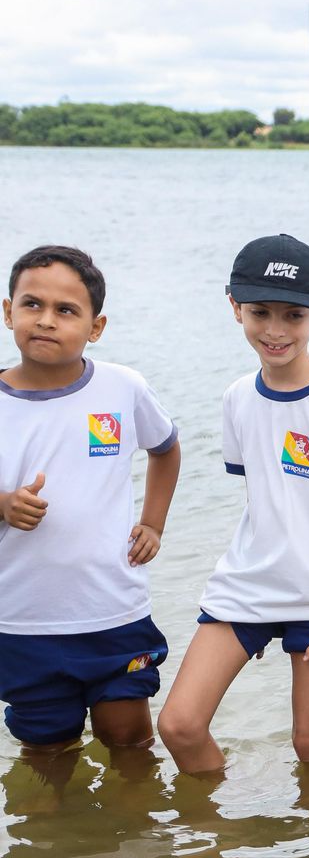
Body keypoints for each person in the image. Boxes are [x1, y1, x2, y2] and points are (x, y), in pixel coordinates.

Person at [158, 235, 309, 775]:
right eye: (259, 312)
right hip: (248, 583)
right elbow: (266, 497)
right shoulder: (238, 397)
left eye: (293, 315)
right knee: (179, 725)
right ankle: (213, 843)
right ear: (234, 306)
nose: (275, 330)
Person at [0, 245, 181, 765]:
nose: (46, 320)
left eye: (66, 310)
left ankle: (137, 841)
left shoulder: (121, 387)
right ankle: (53, 844)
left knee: (128, 740)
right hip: (22, 621)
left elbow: (165, 448)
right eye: (32, 304)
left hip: (112, 609)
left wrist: (153, 522)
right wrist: (6, 503)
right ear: (7, 311)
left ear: (95, 327)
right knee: (46, 752)